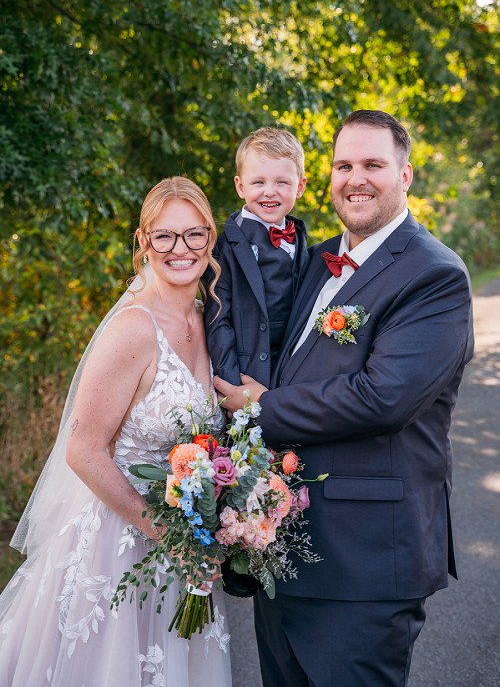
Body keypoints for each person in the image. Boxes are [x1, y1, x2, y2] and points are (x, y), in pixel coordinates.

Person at [214, 110, 474, 687]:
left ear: (406, 175)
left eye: (373, 165)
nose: (356, 178)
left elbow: (382, 397)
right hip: (283, 550)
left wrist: (258, 406)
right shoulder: (314, 257)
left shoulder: (435, 275)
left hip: (366, 566)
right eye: (344, 165)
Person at [0, 178, 232, 687]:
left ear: (210, 239)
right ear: (143, 242)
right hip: (116, 546)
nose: (180, 249)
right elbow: (83, 451)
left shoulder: (207, 319)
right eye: (164, 236)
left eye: (193, 235)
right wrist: (169, 534)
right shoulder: (133, 328)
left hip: (184, 549)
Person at [204, 127, 309, 388]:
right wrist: (233, 385)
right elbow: (218, 320)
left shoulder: (300, 239)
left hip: (291, 378)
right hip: (246, 374)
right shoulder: (226, 245)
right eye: (258, 182)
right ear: (240, 186)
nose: (270, 192)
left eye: (282, 182)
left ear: (300, 187)